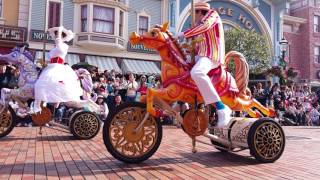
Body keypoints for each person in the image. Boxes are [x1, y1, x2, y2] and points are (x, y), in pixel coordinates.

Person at [175, 2, 231, 127]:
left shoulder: (212, 16)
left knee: (197, 72)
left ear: (200, 11)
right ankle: (180, 98)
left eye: (193, 14)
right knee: (179, 65)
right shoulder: (199, 25)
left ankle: (221, 108)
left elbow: (204, 26)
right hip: (201, 55)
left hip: (212, 56)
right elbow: (198, 46)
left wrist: (182, 34)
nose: (192, 17)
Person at [32, 26, 83, 113]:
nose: (56, 37)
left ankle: (43, 105)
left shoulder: (64, 46)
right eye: (56, 35)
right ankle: (42, 105)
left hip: (58, 67)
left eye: (58, 35)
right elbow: (52, 57)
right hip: (51, 67)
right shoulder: (55, 47)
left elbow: (58, 44)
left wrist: (59, 30)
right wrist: (43, 63)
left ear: (62, 37)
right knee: (42, 84)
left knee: (42, 84)